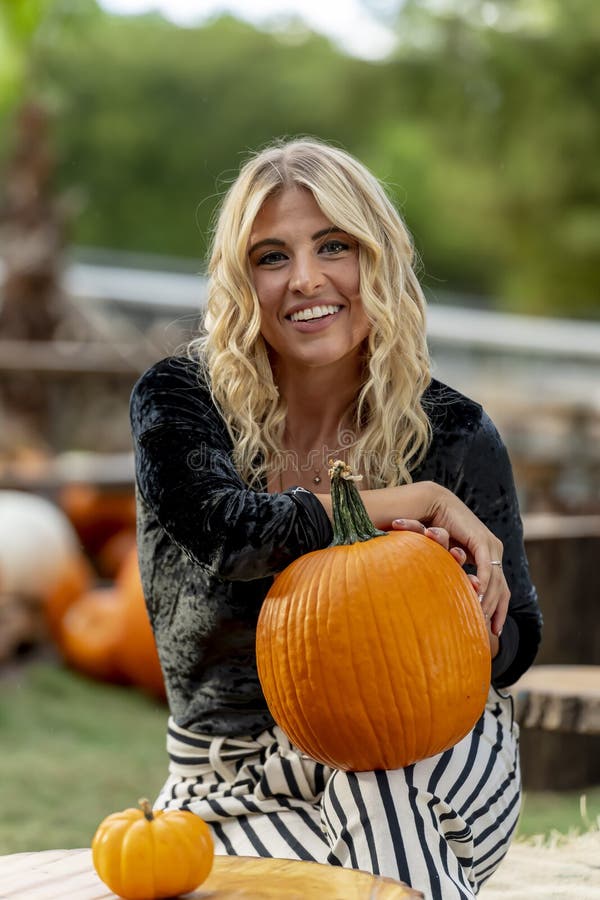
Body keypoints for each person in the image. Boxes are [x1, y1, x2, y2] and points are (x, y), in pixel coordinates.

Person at [129, 137, 542, 899]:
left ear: (377, 259)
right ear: (239, 278)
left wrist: (475, 619)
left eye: (333, 246)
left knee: (379, 794)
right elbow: (230, 529)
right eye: (272, 256)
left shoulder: (452, 432)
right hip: (233, 781)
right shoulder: (182, 401)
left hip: (433, 762)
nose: (307, 280)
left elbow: (519, 635)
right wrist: (410, 502)